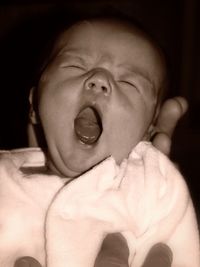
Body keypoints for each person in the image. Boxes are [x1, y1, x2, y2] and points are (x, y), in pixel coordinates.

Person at [0, 17, 198, 267]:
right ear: (34, 104)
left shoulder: (154, 191)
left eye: (129, 82)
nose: (99, 80)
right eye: (75, 66)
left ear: (149, 130)